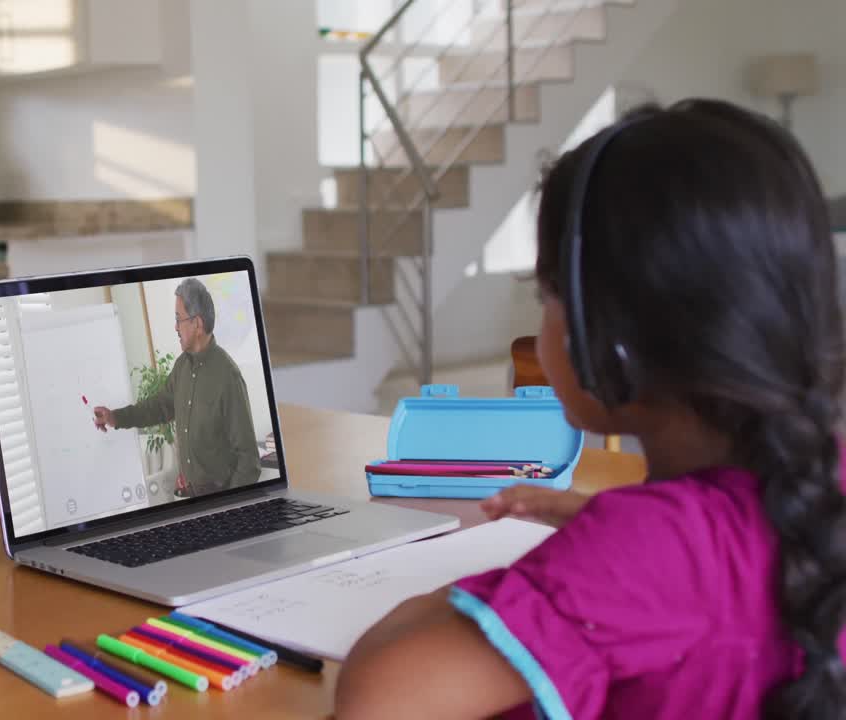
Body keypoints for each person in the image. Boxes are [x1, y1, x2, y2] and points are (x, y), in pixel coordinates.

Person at [335, 99, 846, 719]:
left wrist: (541, 578)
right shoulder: (815, 487)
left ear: (613, 335)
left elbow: (377, 701)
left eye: (547, 291)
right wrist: (607, 531)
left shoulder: (648, 551)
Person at [93, 278, 261, 497]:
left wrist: (229, 508)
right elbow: (158, 407)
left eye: (178, 319)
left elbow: (249, 461)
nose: (175, 327)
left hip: (219, 500)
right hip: (191, 496)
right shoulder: (182, 367)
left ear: (197, 324)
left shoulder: (228, 377)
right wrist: (115, 417)